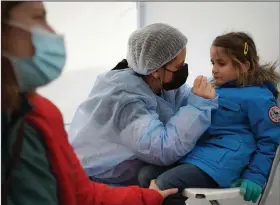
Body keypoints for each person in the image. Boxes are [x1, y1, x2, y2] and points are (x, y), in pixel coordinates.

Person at [1, 2, 179, 205]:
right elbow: (162, 148)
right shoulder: (124, 94)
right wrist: (199, 107)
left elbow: (80, 194)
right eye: (37, 17)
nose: (52, 32)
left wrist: (145, 198)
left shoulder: (41, 113)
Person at [68, 23, 219, 186]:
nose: (184, 69)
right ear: (155, 69)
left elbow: (186, 98)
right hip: (102, 186)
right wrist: (198, 107)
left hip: (133, 179)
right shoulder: (123, 98)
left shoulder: (161, 83)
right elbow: (162, 149)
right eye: (179, 66)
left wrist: (216, 86)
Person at [138, 32, 280, 204]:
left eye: (221, 63)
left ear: (243, 66)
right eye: (213, 63)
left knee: (165, 184)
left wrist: (255, 176)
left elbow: (270, 140)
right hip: (198, 155)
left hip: (223, 163)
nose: (214, 69)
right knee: (145, 174)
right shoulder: (215, 88)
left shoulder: (259, 97)